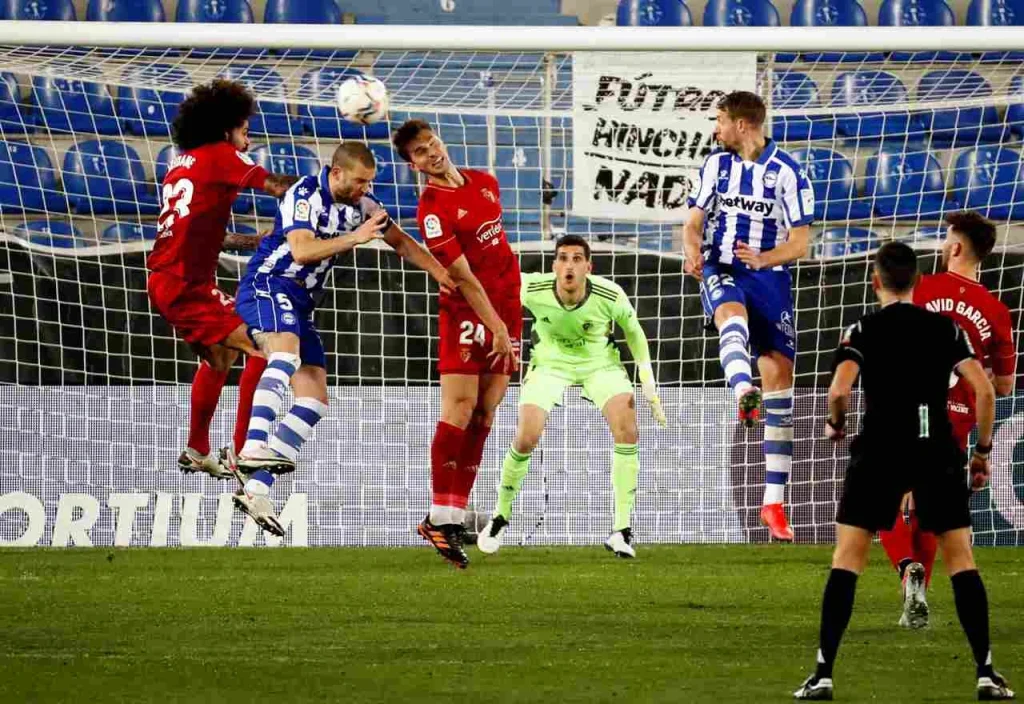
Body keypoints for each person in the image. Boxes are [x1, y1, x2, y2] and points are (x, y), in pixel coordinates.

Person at [794, 242, 1013, 701]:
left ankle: (824, 673)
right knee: (962, 560)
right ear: (917, 282)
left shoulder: (863, 329)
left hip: (879, 449)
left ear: (876, 282)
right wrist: (982, 452)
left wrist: (836, 423)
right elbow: (986, 393)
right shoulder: (946, 329)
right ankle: (986, 673)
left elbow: (838, 391)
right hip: (935, 448)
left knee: (848, 557)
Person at [230, 142, 454, 535]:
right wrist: (357, 237)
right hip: (270, 284)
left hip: (300, 303)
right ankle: (251, 447)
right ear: (336, 173)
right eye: (358, 182)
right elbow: (300, 251)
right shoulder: (304, 194)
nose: (364, 189)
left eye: (368, 182)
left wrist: (438, 272)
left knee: (314, 399)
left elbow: (399, 240)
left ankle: (256, 489)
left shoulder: (362, 204)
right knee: (284, 356)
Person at [476, 235, 666, 558]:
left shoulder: (609, 294)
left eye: (577, 259)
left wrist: (647, 382)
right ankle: (499, 517)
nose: (569, 266)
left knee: (628, 428)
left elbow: (634, 332)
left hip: (599, 365)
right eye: (563, 258)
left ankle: (621, 530)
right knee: (526, 436)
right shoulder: (532, 288)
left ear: (588, 267)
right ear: (554, 266)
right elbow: (489, 287)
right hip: (550, 364)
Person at [146, 79, 298, 480]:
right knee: (267, 347)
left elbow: (204, 232)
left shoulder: (183, 164)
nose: (247, 139)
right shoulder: (220, 154)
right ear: (224, 126)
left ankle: (197, 449)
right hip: (184, 285)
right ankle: (244, 449)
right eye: (244, 129)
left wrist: (253, 240)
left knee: (220, 357)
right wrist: (324, 190)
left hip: (170, 281)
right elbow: (276, 186)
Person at [682, 90, 815, 542]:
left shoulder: (788, 172)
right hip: (722, 265)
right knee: (730, 317)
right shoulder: (715, 165)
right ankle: (742, 390)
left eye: (719, 120)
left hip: (769, 277)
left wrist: (764, 258)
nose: (714, 128)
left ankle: (773, 505)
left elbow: (801, 243)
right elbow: (693, 221)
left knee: (781, 385)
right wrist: (690, 249)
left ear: (741, 124)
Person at [392, 118, 521, 569]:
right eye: (422, 153)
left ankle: (450, 514)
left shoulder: (486, 182)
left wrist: (508, 319)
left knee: (487, 412)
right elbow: (463, 276)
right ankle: (441, 514)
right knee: (460, 410)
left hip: (506, 304)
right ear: (414, 165)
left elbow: (497, 251)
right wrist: (497, 327)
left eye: (433, 144)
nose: (433, 154)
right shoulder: (431, 209)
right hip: (468, 311)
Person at [878, 211, 1016, 630]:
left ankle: (907, 570)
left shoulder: (923, 289)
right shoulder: (996, 310)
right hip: (956, 419)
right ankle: (913, 602)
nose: (942, 245)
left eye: (945, 239)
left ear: (956, 247)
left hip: (908, 406)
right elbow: (1005, 387)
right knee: (932, 511)